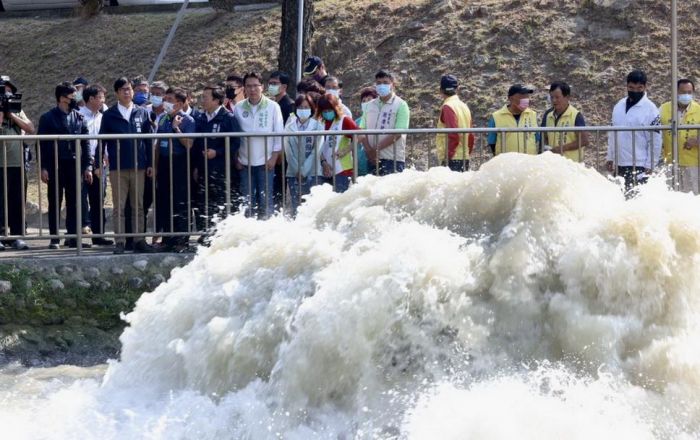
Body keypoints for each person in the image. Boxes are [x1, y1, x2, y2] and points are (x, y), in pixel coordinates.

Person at [98, 77, 154, 254]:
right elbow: (101, 141)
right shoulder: (109, 115)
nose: (127, 92)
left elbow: (148, 141)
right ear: (117, 93)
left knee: (138, 205)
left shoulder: (142, 112)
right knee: (119, 206)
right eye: (123, 89)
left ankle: (139, 240)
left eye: (129, 89)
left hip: (139, 166)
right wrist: (99, 162)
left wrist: (150, 163)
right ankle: (120, 241)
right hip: (118, 167)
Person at [37, 82, 92, 249]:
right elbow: (41, 144)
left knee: (75, 202)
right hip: (55, 164)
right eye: (73, 95)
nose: (76, 98)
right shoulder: (47, 118)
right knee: (54, 201)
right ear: (62, 98)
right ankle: (54, 238)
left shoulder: (79, 117)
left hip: (74, 164)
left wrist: (87, 166)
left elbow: (86, 144)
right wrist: (43, 167)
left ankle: (73, 237)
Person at [233, 72, 284, 219]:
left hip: (265, 161)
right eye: (249, 86)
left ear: (262, 87)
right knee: (247, 200)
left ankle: (265, 230)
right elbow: (235, 135)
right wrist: (236, 159)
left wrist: (274, 157)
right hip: (244, 161)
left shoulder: (273, 106)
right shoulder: (238, 107)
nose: (252, 89)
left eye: (256, 85)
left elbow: (278, 133)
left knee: (265, 199)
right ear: (244, 88)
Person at [194, 84, 241, 236]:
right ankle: (204, 236)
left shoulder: (228, 118)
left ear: (216, 100)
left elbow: (236, 143)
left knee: (221, 204)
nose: (203, 100)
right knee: (203, 204)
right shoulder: (200, 118)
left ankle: (221, 237)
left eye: (205, 97)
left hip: (222, 171)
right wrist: (196, 166)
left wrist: (218, 152)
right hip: (202, 170)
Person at [606, 70, 662, 193]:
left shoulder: (651, 109)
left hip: (639, 165)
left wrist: (650, 164)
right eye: (631, 87)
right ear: (627, 86)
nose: (635, 91)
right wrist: (610, 156)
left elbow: (655, 140)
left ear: (645, 87)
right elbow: (612, 133)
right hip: (619, 162)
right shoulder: (619, 106)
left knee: (637, 201)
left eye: (639, 88)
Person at [154, 87, 196, 252]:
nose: (166, 102)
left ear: (178, 103)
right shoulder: (163, 118)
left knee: (181, 201)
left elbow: (189, 144)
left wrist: (176, 128)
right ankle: (167, 239)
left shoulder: (188, 120)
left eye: (169, 100)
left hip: (180, 163)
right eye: (166, 99)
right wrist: (155, 165)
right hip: (164, 162)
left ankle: (181, 240)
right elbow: (158, 144)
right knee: (165, 201)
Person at [0, 76, 34, 251]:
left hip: (17, 163)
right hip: (0, 164)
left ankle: (17, 235)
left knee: (17, 200)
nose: (6, 94)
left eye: (8, 91)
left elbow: (30, 128)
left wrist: (11, 114)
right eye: (3, 91)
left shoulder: (16, 110)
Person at [78, 84, 113, 246]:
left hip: (100, 164)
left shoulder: (103, 117)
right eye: (100, 97)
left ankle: (98, 235)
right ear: (90, 99)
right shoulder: (78, 116)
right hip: (80, 163)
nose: (103, 101)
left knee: (99, 199)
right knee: (78, 199)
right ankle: (74, 237)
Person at [359, 69, 410, 175]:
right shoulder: (369, 105)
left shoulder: (401, 105)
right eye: (378, 83)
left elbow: (398, 132)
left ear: (393, 85)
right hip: (371, 159)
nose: (381, 85)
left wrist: (375, 150)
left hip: (392, 159)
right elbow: (361, 130)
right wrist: (369, 151)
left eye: (385, 83)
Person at [284, 93, 325, 215]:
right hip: (293, 173)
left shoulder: (318, 126)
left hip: (313, 172)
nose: (303, 110)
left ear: (311, 109)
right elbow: (288, 151)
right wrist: (297, 169)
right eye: (300, 107)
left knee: (313, 209)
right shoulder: (289, 127)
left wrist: (303, 170)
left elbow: (316, 150)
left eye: (306, 107)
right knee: (297, 208)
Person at [659, 78, 700, 194]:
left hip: (692, 164)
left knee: (692, 198)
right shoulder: (664, 109)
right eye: (683, 92)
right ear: (675, 92)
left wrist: (697, 142)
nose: (686, 95)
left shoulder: (699, 110)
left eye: (689, 92)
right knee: (671, 198)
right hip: (670, 163)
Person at [318, 93, 359, 193]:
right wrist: (323, 163)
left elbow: (359, 136)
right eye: (324, 110)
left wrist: (346, 150)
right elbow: (318, 145)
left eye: (329, 110)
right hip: (325, 169)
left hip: (342, 168)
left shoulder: (344, 120)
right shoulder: (320, 122)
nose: (327, 112)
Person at [540, 81, 589, 161]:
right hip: (553, 162)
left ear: (567, 97)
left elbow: (584, 140)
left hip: (571, 164)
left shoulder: (575, 115)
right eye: (552, 97)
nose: (554, 100)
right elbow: (544, 136)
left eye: (557, 97)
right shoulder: (548, 115)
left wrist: (562, 148)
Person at [268, 71, 295, 210]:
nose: (271, 86)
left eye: (275, 84)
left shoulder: (289, 105)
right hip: (273, 152)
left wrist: (280, 153)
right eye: (270, 83)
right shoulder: (272, 105)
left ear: (284, 87)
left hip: (283, 156)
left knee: (280, 188)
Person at [487, 84, 539, 155]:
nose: (525, 99)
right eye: (522, 96)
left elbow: (536, 138)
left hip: (528, 162)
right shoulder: (496, 116)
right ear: (511, 98)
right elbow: (492, 142)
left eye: (527, 96)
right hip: (506, 162)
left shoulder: (532, 114)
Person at [436, 74, 472, 171]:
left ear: (441, 90)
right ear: (457, 89)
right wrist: (467, 152)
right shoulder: (464, 106)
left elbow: (453, 134)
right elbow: (471, 135)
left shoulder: (448, 106)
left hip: (452, 158)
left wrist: (447, 157)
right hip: (464, 156)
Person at [355, 86, 378, 177]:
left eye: (369, 99)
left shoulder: (379, 120)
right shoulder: (357, 122)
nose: (366, 103)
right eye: (363, 101)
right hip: (360, 165)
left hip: (377, 160)